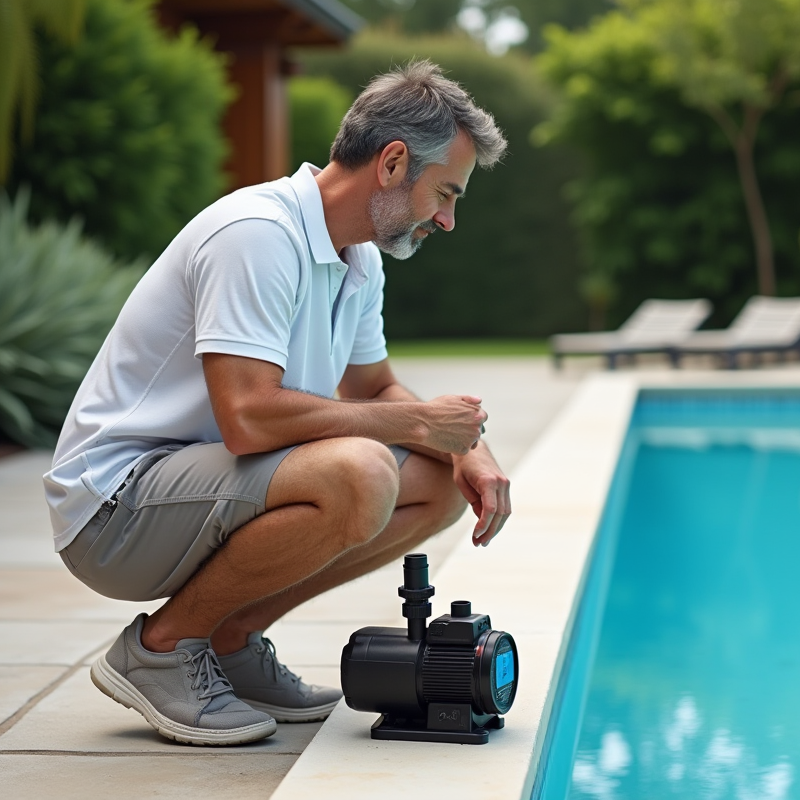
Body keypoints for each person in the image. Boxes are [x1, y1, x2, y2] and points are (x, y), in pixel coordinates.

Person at [43, 61, 512, 746]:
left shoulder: (358, 258)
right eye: (445, 193)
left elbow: (374, 385)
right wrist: (418, 423)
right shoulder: (258, 234)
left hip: (194, 494)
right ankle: (161, 649)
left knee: (441, 483)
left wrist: (467, 448)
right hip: (115, 511)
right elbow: (249, 418)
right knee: (360, 471)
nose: (447, 218)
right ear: (391, 164)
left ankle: (230, 640)